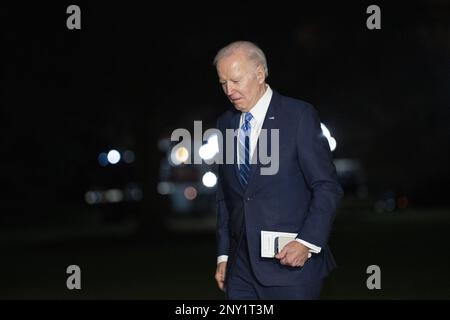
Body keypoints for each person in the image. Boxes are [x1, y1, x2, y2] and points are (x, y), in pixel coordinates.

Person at [213, 41, 343, 299]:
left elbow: (327, 187)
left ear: (260, 74)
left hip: (292, 267)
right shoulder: (225, 123)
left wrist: (306, 242)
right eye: (223, 83)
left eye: (236, 81)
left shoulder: (299, 116)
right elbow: (225, 196)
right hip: (240, 271)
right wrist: (224, 254)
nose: (229, 90)